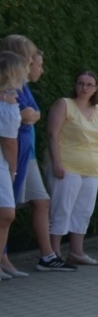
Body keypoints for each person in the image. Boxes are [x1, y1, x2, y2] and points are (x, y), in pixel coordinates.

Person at [2, 34, 58, 271]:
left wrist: (30, 116)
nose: (36, 64)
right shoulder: (9, 89)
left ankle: (46, 255)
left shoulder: (19, 87)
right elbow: (26, 115)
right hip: (15, 150)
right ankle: (3, 257)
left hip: (25, 148)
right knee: (7, 207)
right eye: (31, 56)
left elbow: (33, 113)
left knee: (31, 203)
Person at [42, 70, 98, 266]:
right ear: (75, 85)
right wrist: (56, 162)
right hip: (67, 165)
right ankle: (54, 252)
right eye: (80, 83)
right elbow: (53, 134)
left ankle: (76, 252)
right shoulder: (64, 105)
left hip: (91, 168)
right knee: (61, 208)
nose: (84, 87)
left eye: (89, 84)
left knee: (83, 210)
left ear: (96, 88)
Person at [0, 52, 25, 279]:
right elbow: (9, 141)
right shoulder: (6, 103)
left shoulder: (10, 99)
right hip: (2, 162)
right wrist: (13, 168)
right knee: (6, 212)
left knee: (6, 213)